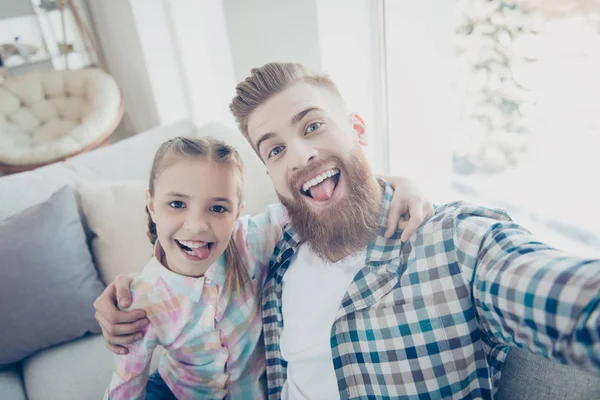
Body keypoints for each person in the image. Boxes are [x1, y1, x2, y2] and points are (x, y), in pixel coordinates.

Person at [98, 62, 600, 399]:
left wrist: (399, 183)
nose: (299, 155)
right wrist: (121, 304)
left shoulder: (456, 243)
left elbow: (562, 297)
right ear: (270, 176)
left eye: (312, 126)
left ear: (357, 129)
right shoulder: (280, 246)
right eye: (274, 149)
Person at [101, 135, 432, 399]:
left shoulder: (251, 239)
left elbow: (324, 200)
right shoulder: (139, 301)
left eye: (218, 208)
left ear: (237, 211)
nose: (197, 225)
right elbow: (126, 384)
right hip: (176, 392)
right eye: (176, 204)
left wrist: (405, 184)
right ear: (151, 205)